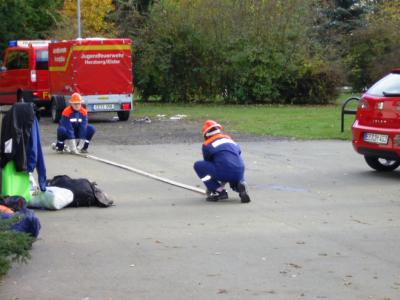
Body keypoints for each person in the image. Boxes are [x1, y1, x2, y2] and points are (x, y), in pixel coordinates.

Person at [193, 120, 251, 203]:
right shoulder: (228, 139)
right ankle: (240, 186)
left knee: (198, 166)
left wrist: (211, 186)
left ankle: (219, 191)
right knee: (234, 170)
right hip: (240, 169)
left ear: (206, 134)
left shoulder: (207, 144)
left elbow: (208, 162)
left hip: (224, 170)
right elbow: (238, 152)